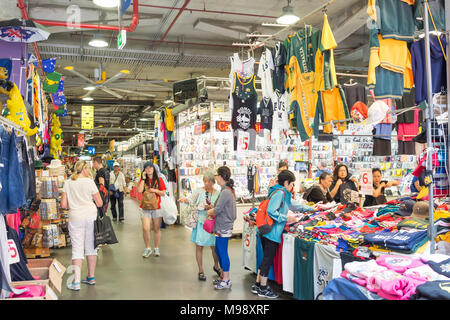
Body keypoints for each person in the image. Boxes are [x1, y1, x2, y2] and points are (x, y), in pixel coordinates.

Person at [252, 170, 314, 298]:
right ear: (286, 183)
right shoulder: (280, 193)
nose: (292, 187)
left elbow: (294, 205)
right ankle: (263, 288)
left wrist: (312, 208)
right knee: (268, 260)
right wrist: (285, 218)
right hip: (272, 232)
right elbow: (271, 211)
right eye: (292, 184)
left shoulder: (279, 192)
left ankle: (258, 285)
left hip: (267, 230)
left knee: (265, 259)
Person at [60, 160, 103, 291]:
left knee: (77, 248)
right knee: (91, 247)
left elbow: (63, 205)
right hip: (90, 216)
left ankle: (77, 282)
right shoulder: (90, 182)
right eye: (88, 168)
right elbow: (100, 203)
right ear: (84, 169)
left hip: (75, 217)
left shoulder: (68, 183)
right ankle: (91, 277)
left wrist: (73, 205)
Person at [178, 171, 221, 281]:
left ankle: (216, 266)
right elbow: (191, 200)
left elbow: (219, 207)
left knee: (214, 247)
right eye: (205, 181)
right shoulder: (198, 191)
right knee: (199, 246)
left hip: (212, 223)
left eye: (209, 181)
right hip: (201, 223)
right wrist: (185, 200)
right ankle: (200, 270)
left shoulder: (218, 193)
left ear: (213, 182)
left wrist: (211, 207)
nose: (206, 184)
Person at [206, 166, 236, 290]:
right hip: (222, 225)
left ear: (221, 177)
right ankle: (223, 275)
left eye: (217, 175)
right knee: (218, 250)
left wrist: (209, 211)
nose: (216, 178)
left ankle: (226, 279)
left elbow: (218, 210)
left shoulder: (226, 192)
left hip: (223, 226)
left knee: (222, 251)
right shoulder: (226, 191)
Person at [137, 162, 166, 258]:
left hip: (156, 207)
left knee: (156, 228)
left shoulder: (159, 179)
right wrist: (143, 178)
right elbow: (140, 190)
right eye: (147, 168)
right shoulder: (143, 180)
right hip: (144, 207)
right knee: (145, 228)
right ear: (144, 170)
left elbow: (163, 193)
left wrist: (155, 190)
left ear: (154, 169)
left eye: (150, 168)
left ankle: (156, 248)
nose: (149, 169)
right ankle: (147, 248)